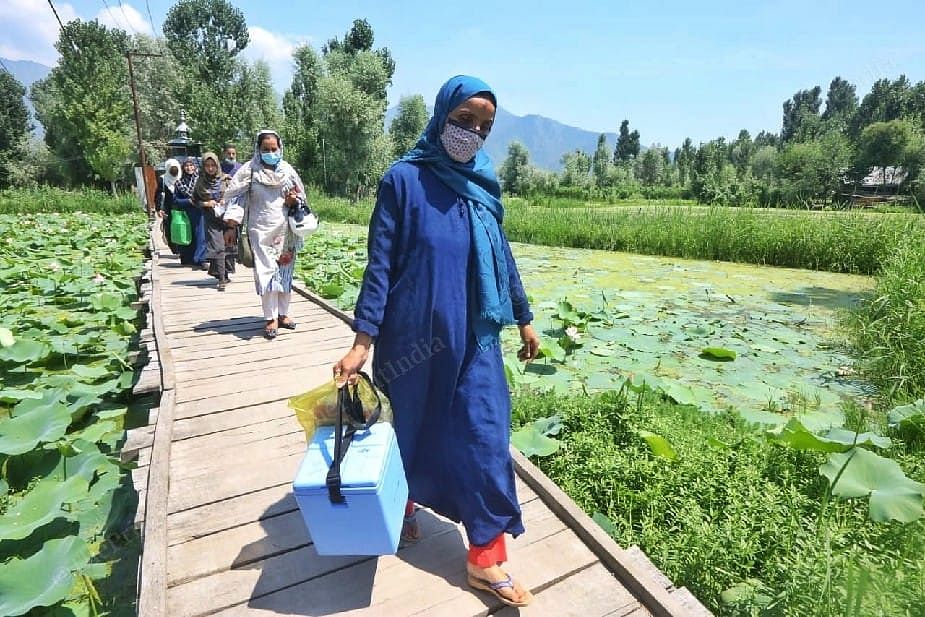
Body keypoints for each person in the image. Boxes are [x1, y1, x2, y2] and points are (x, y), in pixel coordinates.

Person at [333, 75, 539, 608]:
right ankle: (399, 510)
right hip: (414, 341)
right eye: (465, 120)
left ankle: (486, 559)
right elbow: (380, 265)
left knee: (485, 439)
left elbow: (502, 257)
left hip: (475, 339)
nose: (473, 133)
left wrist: (524, 317)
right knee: (408, 433)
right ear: (442, 114)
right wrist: (363, 340)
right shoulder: (403, 181)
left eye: (485, 127)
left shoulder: (482, 186)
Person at [223, 130, 307, 339]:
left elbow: (301, 199)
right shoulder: (249, 171)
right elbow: (236, 199)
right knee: (266, 273)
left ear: (280, 149)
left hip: (285, 232)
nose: (270, 153)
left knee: (285, 273)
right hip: (259, 231)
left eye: (274, 149)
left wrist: (293, 201)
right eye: (266, 149)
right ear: (258, 150)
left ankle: (283, 314)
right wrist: (231, 226)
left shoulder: (287, 171)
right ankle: (270, 318)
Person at [194, 152, 235, 291]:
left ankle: (224, 274)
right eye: (207, 166)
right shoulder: (200, 182)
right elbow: (195, 201)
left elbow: (236, 196)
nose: (210, 168)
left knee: (228, 247)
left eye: (213, 165)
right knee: (218, 247)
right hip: (211, 219)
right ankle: (222, 279)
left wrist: (225, 200)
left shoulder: (226, 180)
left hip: (226, 218)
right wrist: (206, 203)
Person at [174, 158, 208, 269]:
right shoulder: (179, 183)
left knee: (201, 235)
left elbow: (207, 194)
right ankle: (188, 259)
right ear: (183, 168)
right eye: (186, 166)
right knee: (187, 235)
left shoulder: (201, 180)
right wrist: (188, 201)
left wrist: (200, 201)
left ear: (195, 167)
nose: (189, 168)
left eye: (191, 165)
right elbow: (175, 200)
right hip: (186, 213)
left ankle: (201, 260)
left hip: (200, 212)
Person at [154, 158, 180, 251]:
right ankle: (174, 248)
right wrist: (158, 208)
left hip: (182, 208)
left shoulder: (182, 177)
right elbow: (159, 194)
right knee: (170, 228)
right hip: (168, 208)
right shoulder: (163, 179)